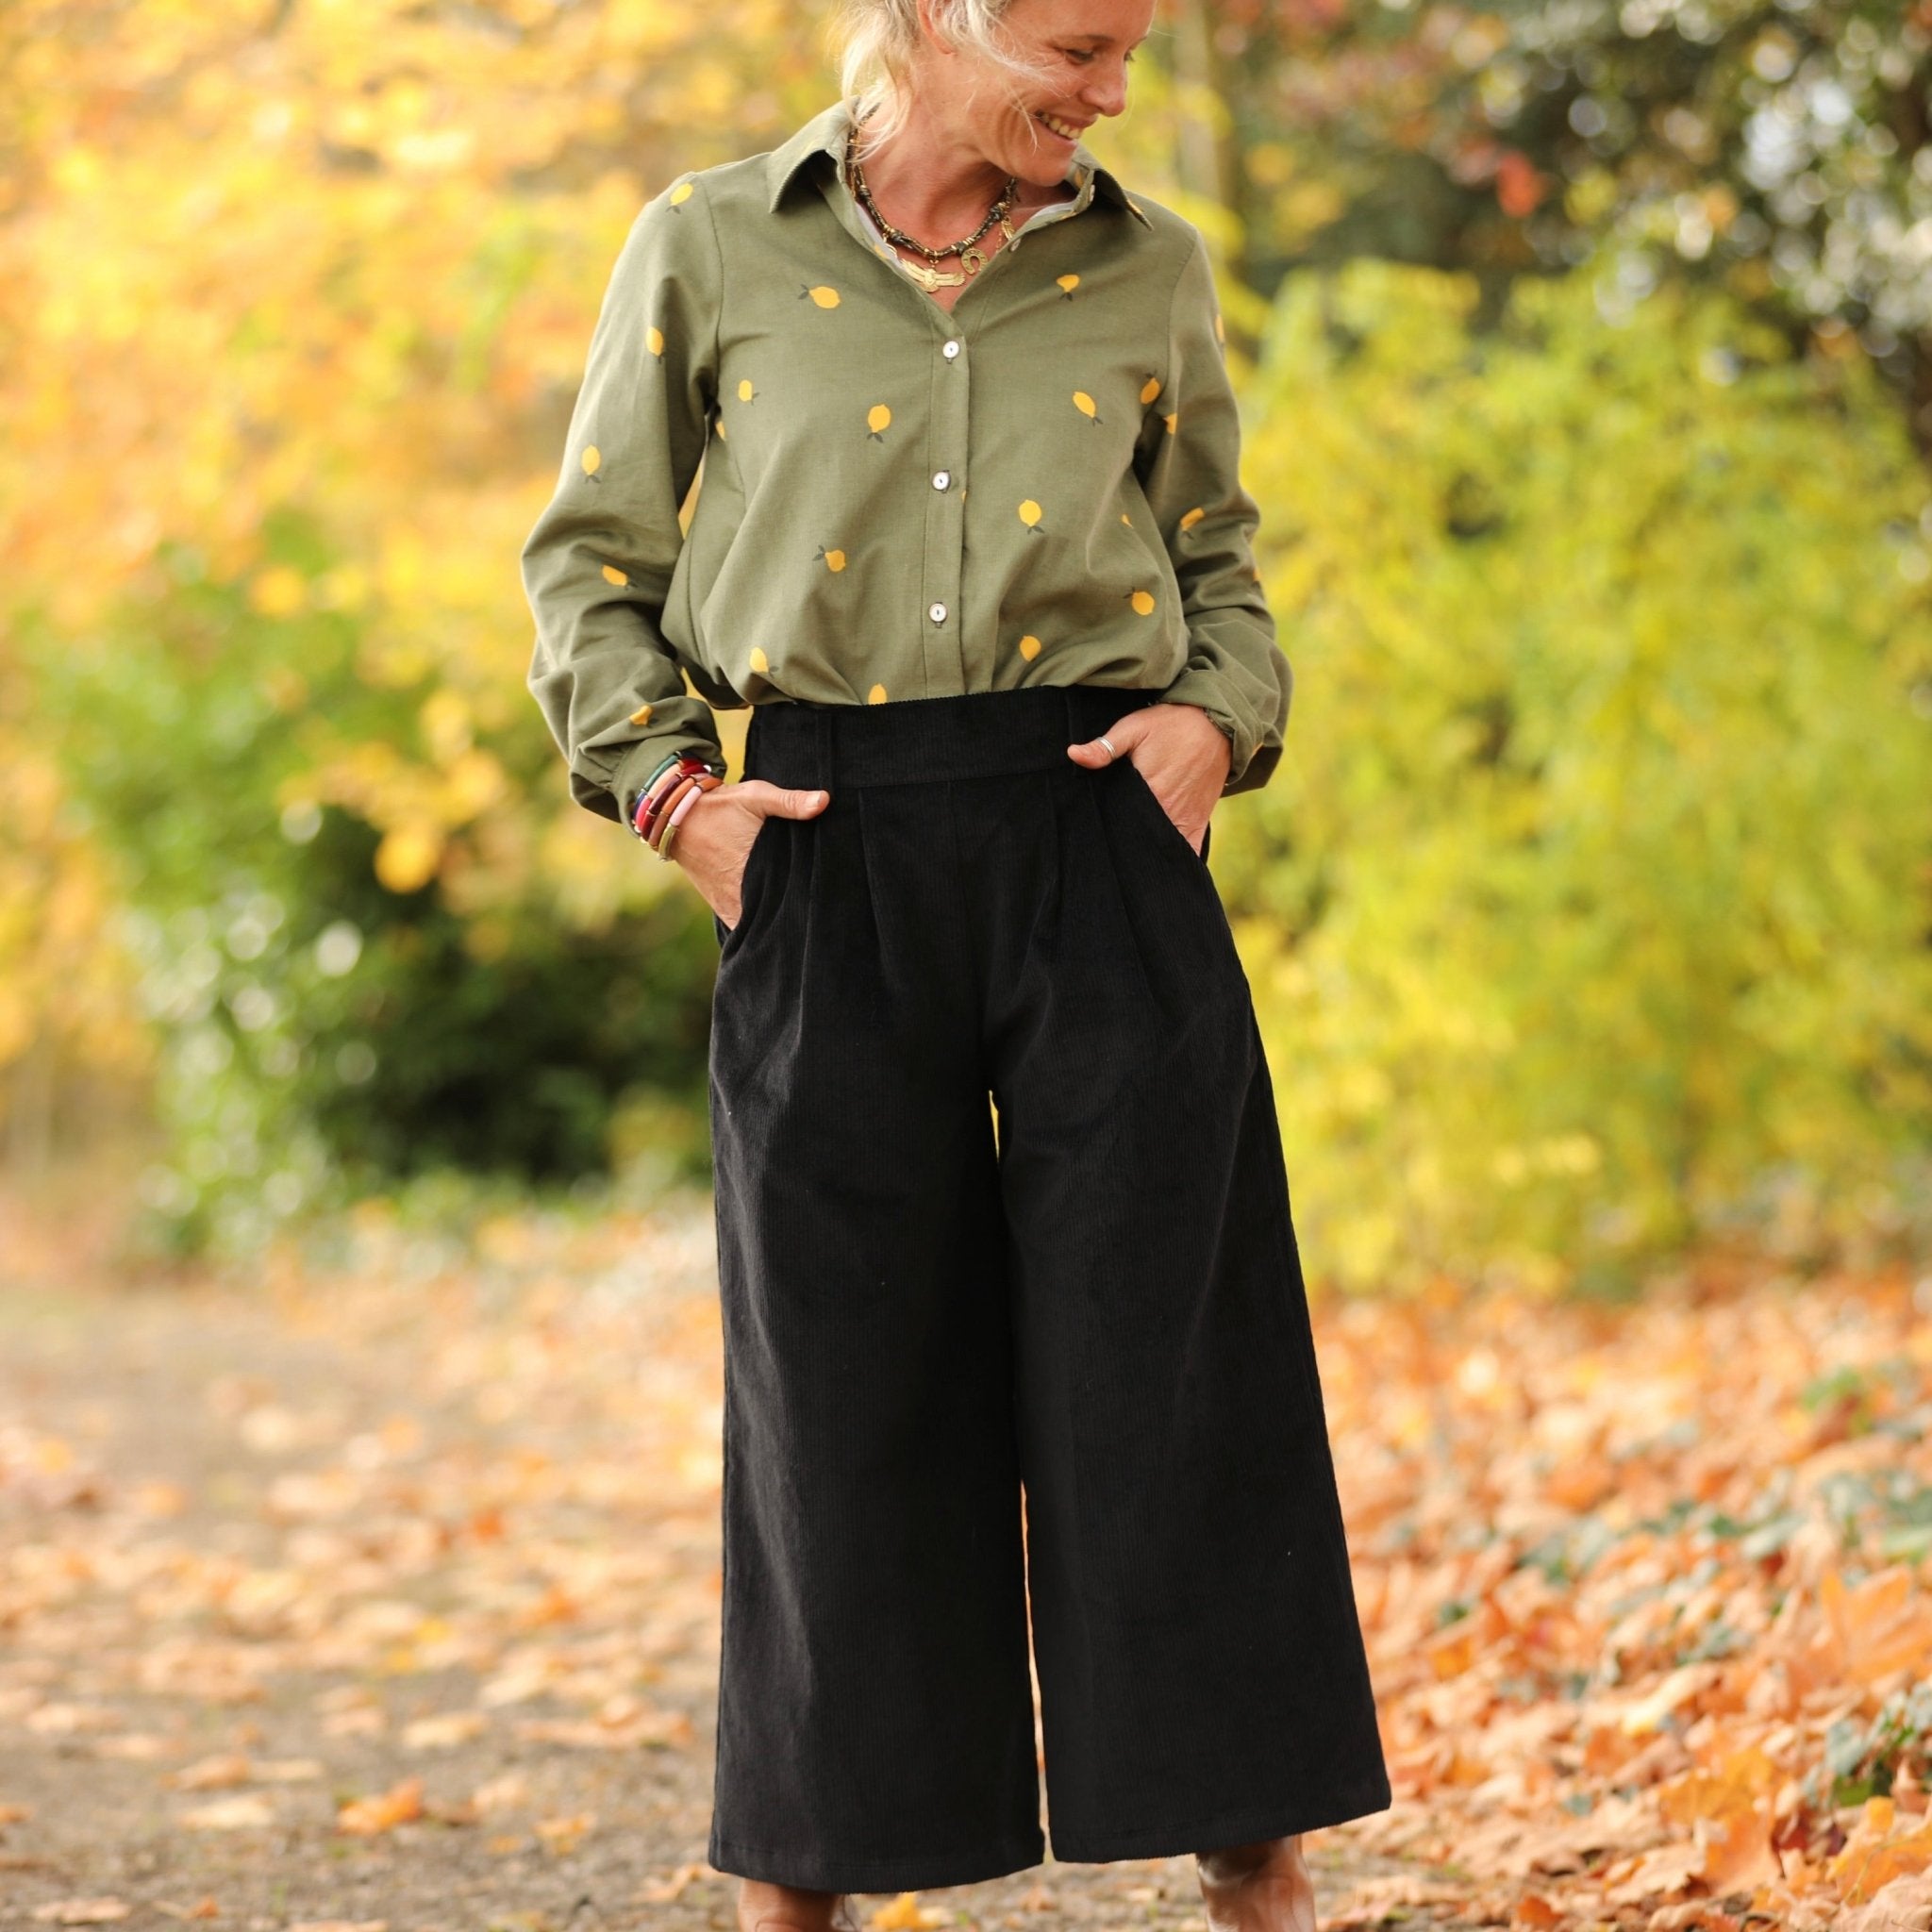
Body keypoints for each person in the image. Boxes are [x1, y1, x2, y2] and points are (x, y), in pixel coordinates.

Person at [520, 2, 1392, 1927]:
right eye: (1074, 47)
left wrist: (1214, 721)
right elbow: (587, 564)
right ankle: (810, 1877)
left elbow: (1220, 564)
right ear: (936, 13)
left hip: (1096, 827)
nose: (1109, 91)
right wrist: (675, 801)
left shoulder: (1148, 264)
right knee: (836, 1375)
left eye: (1127, 54)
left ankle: (1252, 1857)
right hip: (821, 843)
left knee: (1170, 1358)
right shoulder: (709, 242)